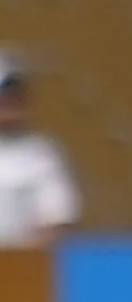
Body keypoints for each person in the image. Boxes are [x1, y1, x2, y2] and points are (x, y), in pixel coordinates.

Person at [0, 52, 73, 242]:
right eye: (4, 96)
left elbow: (56, 221)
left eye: (15, 95)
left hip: (20, 266)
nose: (9, 104)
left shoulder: (42, 157)